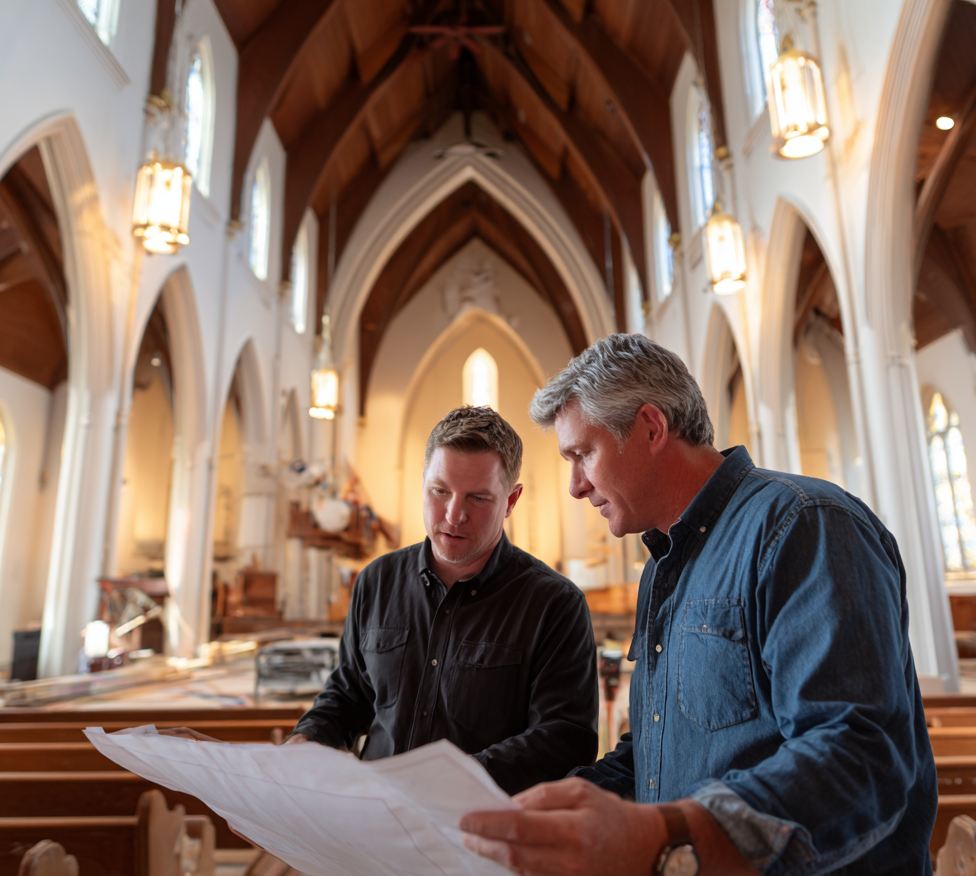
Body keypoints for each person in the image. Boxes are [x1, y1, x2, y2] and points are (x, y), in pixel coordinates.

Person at [460, 334, 938, 876]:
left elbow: (860, 756)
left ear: (651, 428)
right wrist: (530, 815)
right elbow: (656, 755)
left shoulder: (803, 524)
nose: (575, 486)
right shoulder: (665, 565)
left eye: (583, 453)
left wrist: (666, 837)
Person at [286, 405, 598, 794]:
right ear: (423, 484)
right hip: (374, 821)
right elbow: (349, 696)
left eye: (478, 498)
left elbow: (564, 739)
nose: (454, 515)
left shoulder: (555, 605)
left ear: (511, 501)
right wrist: (306, 741)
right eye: (440, 491)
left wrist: (444, 782)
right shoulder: (375, 582)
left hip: (482, 834)